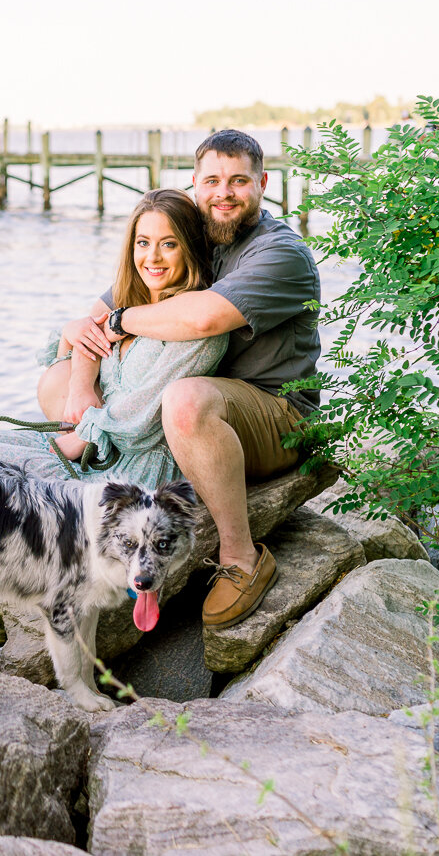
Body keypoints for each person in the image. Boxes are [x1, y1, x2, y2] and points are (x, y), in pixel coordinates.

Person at [44, 129, 320, 630]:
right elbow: (99, 311)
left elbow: (202, 321)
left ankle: (241, 558)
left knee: (184, 400)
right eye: (212, 180)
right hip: (189, 408)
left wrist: (121, 322)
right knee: (58, 381)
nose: (224, 192)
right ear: (194, 184)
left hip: (275, 413)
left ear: (263, 182)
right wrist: (83, 385)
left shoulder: (280, 253)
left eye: (239, 180)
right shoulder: (195, 236)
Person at [0, 188, 228, 486]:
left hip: (134, 470)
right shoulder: (127, 308)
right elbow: (73, 353)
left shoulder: (194, 327)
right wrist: (75, 355)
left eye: (169, 244)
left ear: (190, 248)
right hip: (95, 450)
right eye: (143, 243)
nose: (152, 257)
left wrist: (76, 440)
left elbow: (146, 414)